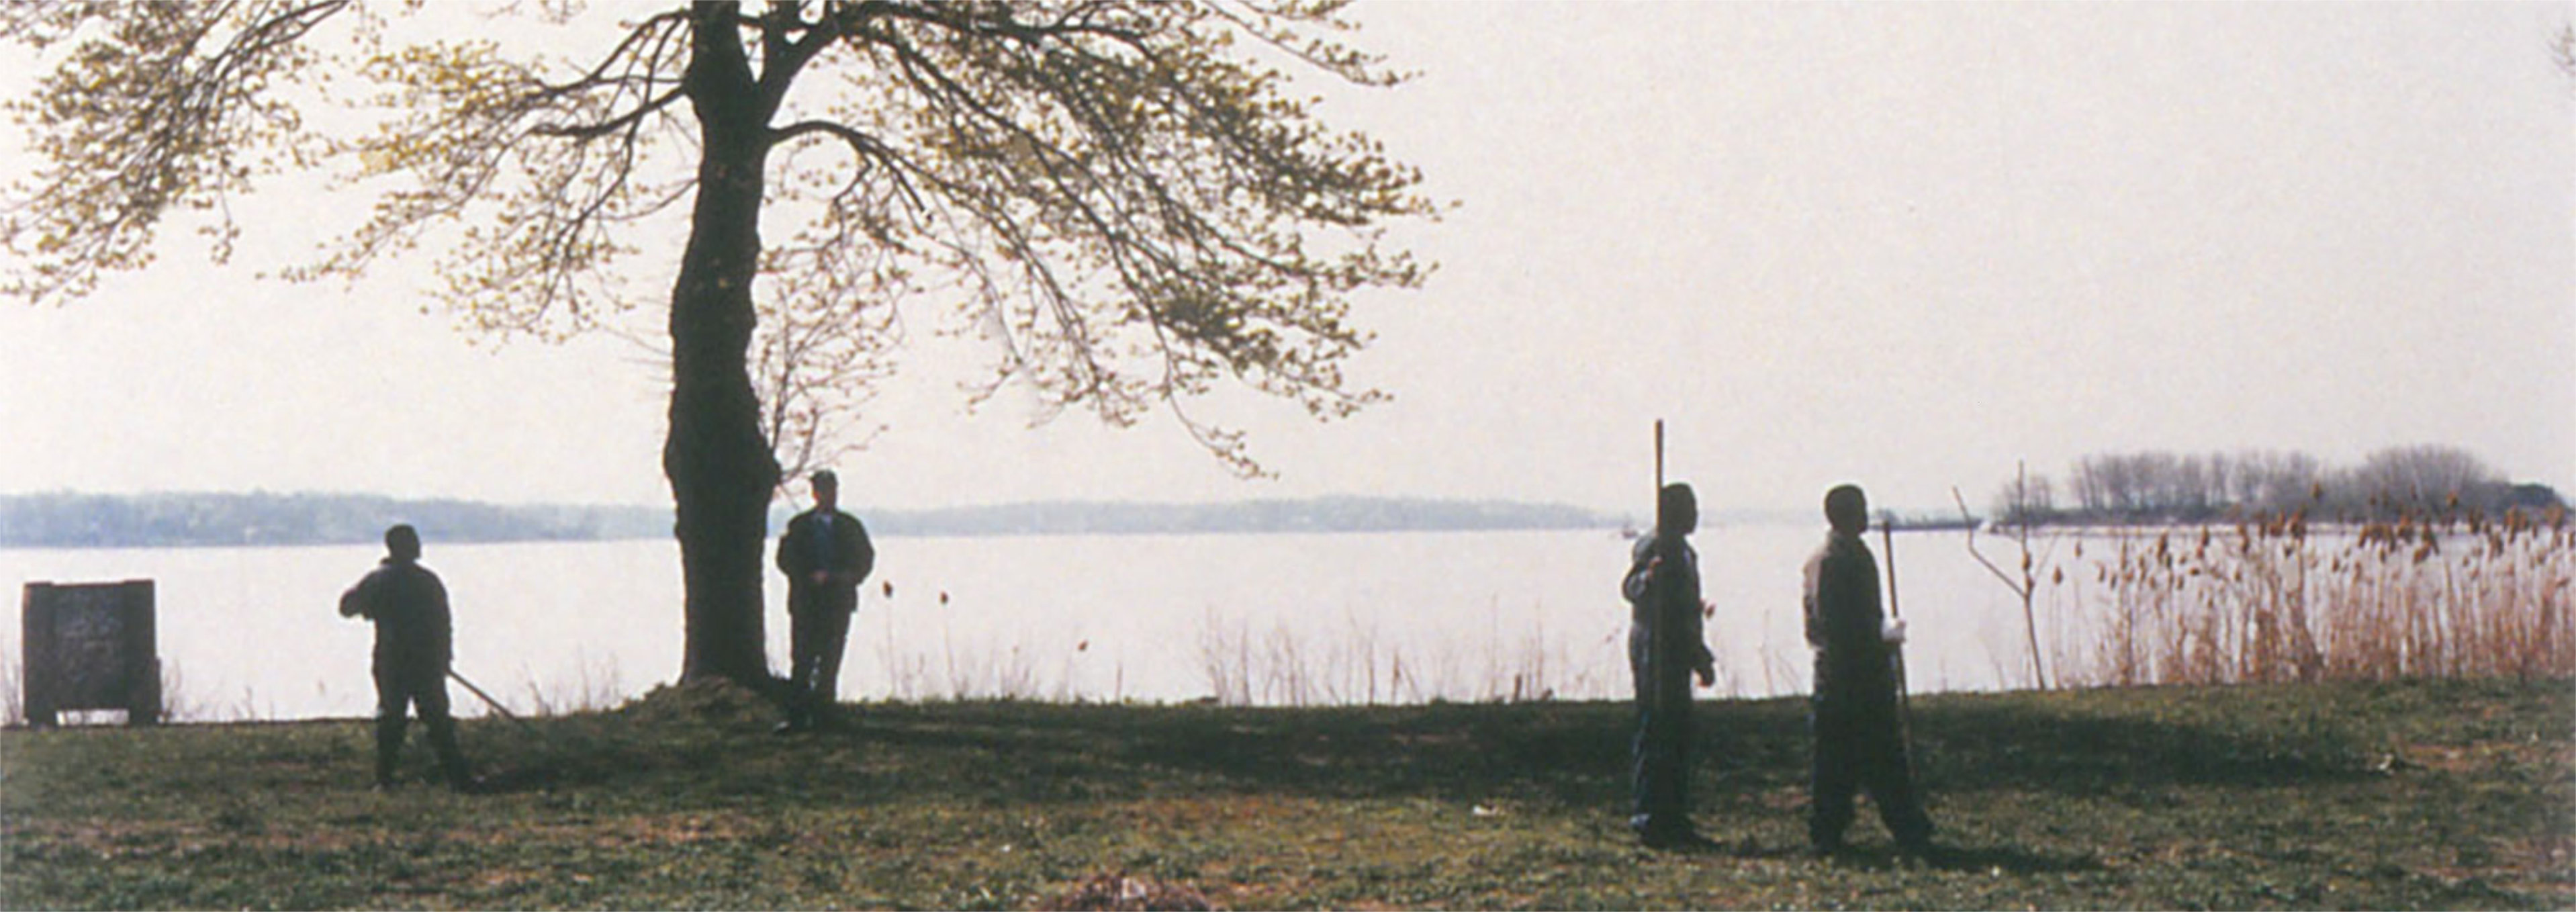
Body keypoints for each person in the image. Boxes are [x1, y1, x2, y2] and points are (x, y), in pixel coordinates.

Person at [1802, 484, 1934, 858]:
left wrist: (1883, 632)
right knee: (1848, 759)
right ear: (1843, 514)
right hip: (1847, 676)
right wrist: (1880, 641)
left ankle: (1906, 827)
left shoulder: (1853, 555)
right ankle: (1834, 831)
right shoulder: (1831, 561)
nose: (1866, 514)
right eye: (1860, 508)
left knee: (1875, 755)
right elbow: (1832, 626)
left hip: (1862, 671)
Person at [338, 524, 475, 791]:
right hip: (413, 661)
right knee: (427, 719)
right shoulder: (420, 580)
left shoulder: (382, 580)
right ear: (400, 546)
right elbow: (443, 624)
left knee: (401, 718)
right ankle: (456, 779)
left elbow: (348, 607)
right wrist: (444, 658)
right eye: (413, 542)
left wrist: (444, 657)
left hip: (397, 660)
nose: (418, 546)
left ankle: (388, 780)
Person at [1620, 482, 1719, 848]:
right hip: (1654, 649)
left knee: (1677, 734)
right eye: (1689, 507)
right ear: (1671, 512)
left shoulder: (1685, 552)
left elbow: (1686, 610)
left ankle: (1673, 815)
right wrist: (1649, 578)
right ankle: (1649, 818)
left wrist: (1700, 656)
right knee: (1655, 729)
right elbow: (1629, 587)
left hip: (1677, 649)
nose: (1696, 514)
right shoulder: (1654, 546)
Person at [775, 469, 875, 733]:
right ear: (815, 493)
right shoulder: (799, 526)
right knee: (803, 658)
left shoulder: (850, 526)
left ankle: (825, 714)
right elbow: (785, 560)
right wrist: (808, 576)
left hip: (838, 601)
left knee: (831, 658)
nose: (827, 495)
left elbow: (865, 560)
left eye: (831, 490)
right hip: (806, 601)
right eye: (822, 490)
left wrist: (845, 577)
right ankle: (797, 716)